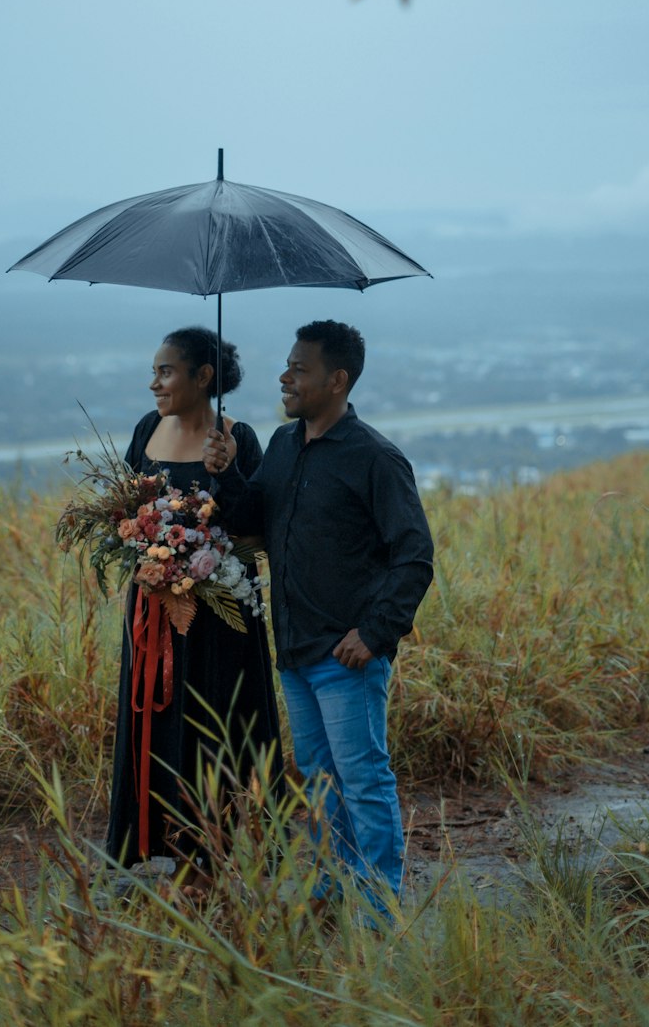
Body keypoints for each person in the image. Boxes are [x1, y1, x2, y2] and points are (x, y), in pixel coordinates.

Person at [203, 319, 433, 914]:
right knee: (323, 783)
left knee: (363, 781)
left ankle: (380, 909)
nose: (285, 376)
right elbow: (255, 513)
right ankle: (336, 890)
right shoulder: (284, 445)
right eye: (287, 364)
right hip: (295, 649)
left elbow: (414, 557)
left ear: (337, 380)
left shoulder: (375, 458)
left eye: (299, 368)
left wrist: (375, 632)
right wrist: (227, 473)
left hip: (345, 653)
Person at [105, 326, 282, 866]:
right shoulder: (146, 429)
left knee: (218, 719)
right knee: (154, 713)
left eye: (166, 371)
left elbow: (255, 526)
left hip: (221, 615)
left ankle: (225, 845)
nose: (154, 383)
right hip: (156, 609)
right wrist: (144, 545)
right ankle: (154, 841)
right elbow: (123, 512)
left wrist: (227, 472)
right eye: (154, 371)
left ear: (203, 377)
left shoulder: (238, 436)